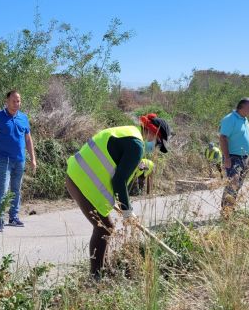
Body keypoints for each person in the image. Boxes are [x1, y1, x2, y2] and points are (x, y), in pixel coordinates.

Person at [65, 114, 170, 278]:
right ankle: (96, 277)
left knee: (105, 227)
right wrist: (127, 211)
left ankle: (105, 270)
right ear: (151, 132)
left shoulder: (128, 133)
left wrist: (125, 206)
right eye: (157, 143)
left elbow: (119, 176)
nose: (154, 147)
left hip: (77, 175)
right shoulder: (136, 145)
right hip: (83, 181)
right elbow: (119, 181)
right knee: (103, 228)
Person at [0, 90, 37, 232]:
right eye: (13, 101)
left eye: (18, 101)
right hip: (4, 160)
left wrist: (33, 158)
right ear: (7, 101)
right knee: (3, 189)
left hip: (20, 160)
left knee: (16, 189)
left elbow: (28, 139)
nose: (16, 104)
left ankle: (13, 217)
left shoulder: (23, 118)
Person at [219, 97, 249, 216]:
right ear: (241, 107)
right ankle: (226, 211)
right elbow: (223, 137)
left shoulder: (245, 119)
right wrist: (227, 158)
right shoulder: (230, 119)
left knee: (238, 184)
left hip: (244, 157)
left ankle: (230, 208)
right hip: (233, 156)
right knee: (233, 183)